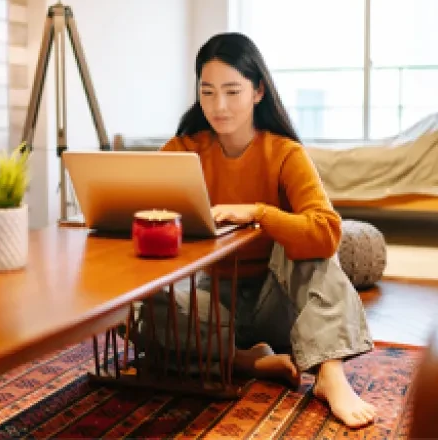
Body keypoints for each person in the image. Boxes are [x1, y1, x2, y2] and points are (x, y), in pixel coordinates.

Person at [139, 32, 376, 428]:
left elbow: (327, 233)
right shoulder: (183, 150)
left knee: (304, 242)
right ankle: (241, 358)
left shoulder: (284, 153)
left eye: (232, 91)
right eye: (208, 91)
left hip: (279, 303)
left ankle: (330, 374)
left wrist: (260, 213)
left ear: (258, 92)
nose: (219, 105)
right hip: (211, 303)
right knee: (140, 309)